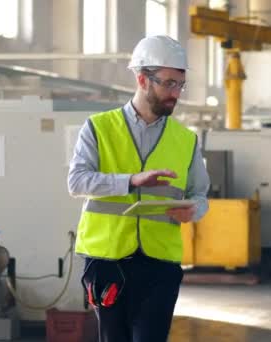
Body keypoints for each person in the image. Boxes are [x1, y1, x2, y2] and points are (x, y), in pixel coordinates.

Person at [67, 35, 210, 342]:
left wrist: (193, 210)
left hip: (160, 264)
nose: (176, 94)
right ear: (142, 79)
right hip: (105, 259)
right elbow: (77, 181)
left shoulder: (186, 140)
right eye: (169, 84)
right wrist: (131, 181)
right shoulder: (98, 127)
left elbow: (200, 195)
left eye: (180, 85)